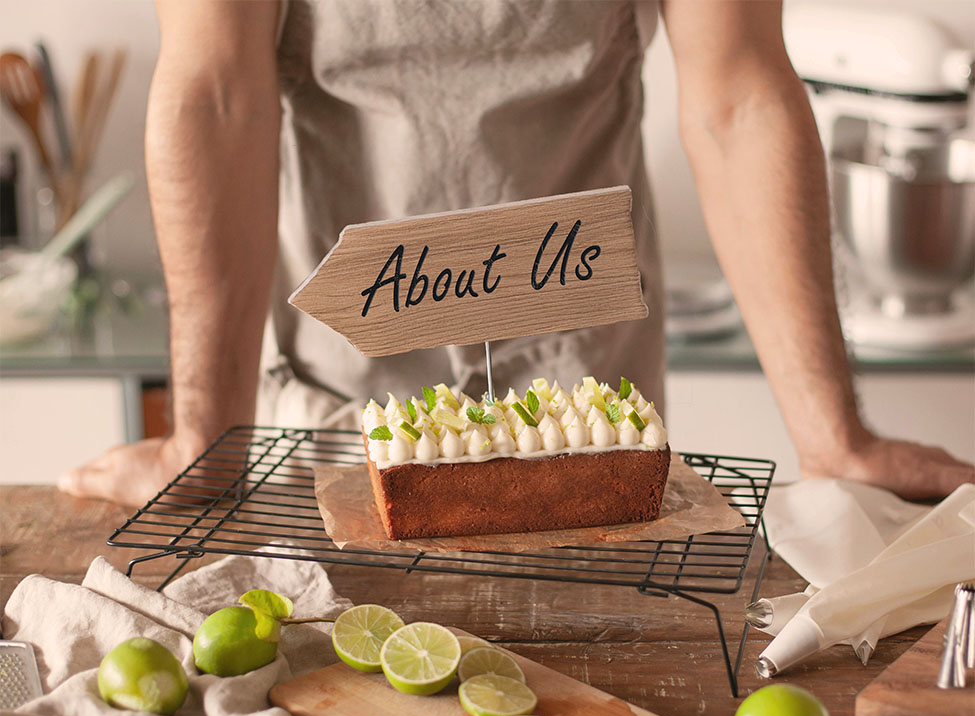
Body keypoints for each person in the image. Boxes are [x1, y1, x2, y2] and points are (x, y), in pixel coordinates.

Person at [59, 0, 973, 506]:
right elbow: (218, 96)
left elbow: (736, 97)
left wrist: (833, 439)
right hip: (340, 418)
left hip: (587, 417)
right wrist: (207, 442)